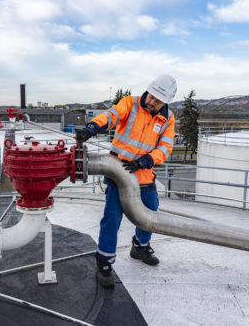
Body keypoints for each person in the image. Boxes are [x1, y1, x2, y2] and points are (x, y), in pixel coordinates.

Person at [76, 75, 177, 288]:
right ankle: (104, 262)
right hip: (119, 173)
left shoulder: (168, 119)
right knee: (111, 219)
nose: (152, 102)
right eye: (151, 97)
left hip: (144, 174)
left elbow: (166, 147)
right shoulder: (130, 104)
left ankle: (140, 247)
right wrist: (92, 128)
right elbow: (112, 116)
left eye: (158, 101)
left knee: (151, 214)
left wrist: (148, 159)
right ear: (148, 91)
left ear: (166, 102)